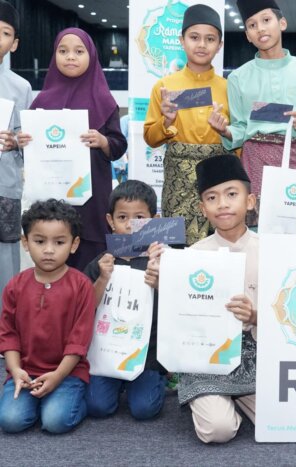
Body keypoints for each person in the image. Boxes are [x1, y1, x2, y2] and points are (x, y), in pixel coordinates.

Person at [148, 155, 258, 443]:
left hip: (258, 355)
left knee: (282, 421)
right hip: (206, 356)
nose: (222, 204)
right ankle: (220, 400)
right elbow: (182, 316)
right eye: (211, 197)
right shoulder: (192, 256)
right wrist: (161, 284)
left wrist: (254, 316)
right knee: (218, 430)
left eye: (232, 194)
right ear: (202, 208)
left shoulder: (270, 250)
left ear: (250, 201)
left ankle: (234, 397)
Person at [18, 28, 127, 271]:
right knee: (52, 252)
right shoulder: (41, 102)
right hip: (51, 197)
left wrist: (103, 141)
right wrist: (24, 142)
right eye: (63, 51)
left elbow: (119, 146)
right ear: (54, 55)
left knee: (91, 264)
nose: (70, 57)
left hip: (92, 198)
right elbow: (32, 156)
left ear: (91, 56)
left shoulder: (104, 100)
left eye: (79, 51)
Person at [210, 0, 296, 208]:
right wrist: (225, 131)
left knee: (295, 214)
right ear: (247, 35)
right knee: (257, 217)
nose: (260, 28)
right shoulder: (237, 77)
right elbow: (240, 126)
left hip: (295, 152)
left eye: (266, 20)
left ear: (282, 23)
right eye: (252, 25)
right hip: (255, 156)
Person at [0, 199, 95, 433]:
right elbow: (8, 335)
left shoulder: (82, 286)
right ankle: (40, 401)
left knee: (55, 422)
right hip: (25, 372)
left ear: (74, 244)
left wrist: (58, 376)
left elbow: (79, 341)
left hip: (67, 373)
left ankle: (79, 402)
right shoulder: (15, 286)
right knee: (10, 421)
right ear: (25, 242)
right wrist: (16, 370)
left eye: (59, 242)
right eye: (40, 241)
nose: (49, 250)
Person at [143, 4, 229, 245]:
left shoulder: (229, 89)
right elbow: (150, 138)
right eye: (194, 37)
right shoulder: (164, 87)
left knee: (218, 247)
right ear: (182, 41)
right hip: (177, 181)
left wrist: (225, 132)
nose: (202, 44)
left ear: (219, 45)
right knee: (177, 249)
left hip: (218, 180)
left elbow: (239, 140)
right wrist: (166, 121)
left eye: (210, 39)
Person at [82, 180, 166, 421]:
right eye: (122, 217)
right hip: (106, 350)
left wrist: (160, 282)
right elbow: (85, 307)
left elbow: (178, 307)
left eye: (139, 217)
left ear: (154, 220)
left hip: (146, 354)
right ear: (110, 221)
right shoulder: (102, 262)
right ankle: (116, 382)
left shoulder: (163, 261)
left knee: (144, 409)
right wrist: (102, 278)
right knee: (97, 406)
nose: (130, 225)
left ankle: (158, 377)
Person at [0, 1, 32, 296]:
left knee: (6, 262)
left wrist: (15, 142)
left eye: (5, 33)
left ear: (15, 43)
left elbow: (27, 140)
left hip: (5, 185)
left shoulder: (21, 87)